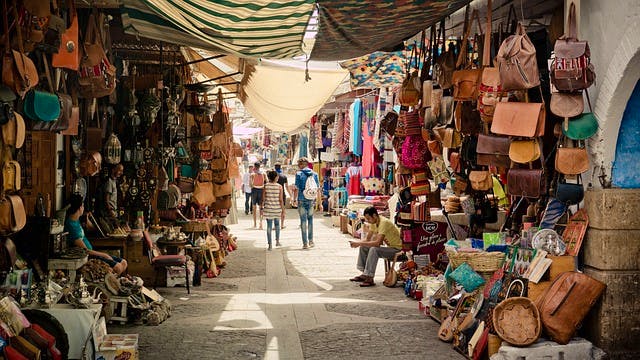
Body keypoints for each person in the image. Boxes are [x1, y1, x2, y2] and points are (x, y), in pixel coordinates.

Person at [65, 194, 128, 275]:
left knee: (124, 262)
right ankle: (110, 283)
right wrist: (104, 255)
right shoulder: (71, 226)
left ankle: (112, 281)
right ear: (79, 207)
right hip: (88, 256)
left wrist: (88, 219)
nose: (83, 208)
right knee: (118, 267)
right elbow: (85, 251)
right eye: (83, 206)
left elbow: (92, 228)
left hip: (93, 253)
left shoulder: (76, 219)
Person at [349, 206, 402, 287]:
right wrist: (358, 243)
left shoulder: (384, 223)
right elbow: (367, 239)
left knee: (374, 250)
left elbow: (377, 243)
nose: (368, 221)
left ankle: (369, 277)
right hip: (390, 248)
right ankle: (365, 274)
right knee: (364, 247)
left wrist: (359, 243)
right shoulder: (374, 223)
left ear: (374, 216)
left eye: (368, 218)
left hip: (398, 250)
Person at [291, 157, 319, 249]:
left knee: (303, 221)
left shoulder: (299, 174)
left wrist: (294, 199)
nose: (298, 167)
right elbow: (317, 189)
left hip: (301, 199)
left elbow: (296, 188)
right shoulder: (315, 174)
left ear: (301, 165)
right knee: (310, 220)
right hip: (311, 199)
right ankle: (311, 241)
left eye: (299, 165)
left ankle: (305, 243)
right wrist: (320, 203)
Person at [261, 170, 284, 250]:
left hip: (268, 209)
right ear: (276, 177)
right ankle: (277, 241)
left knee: (269, 227)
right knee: (277, 225)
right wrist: (283, 210)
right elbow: (281, 200)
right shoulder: (279, 186)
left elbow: (263, 199)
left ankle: (270, 245)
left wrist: (261, 208)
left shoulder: (266, 186)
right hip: (277, 209)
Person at [250, 162, 266, 229]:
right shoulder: (263, 173)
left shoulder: (252, 174)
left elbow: (250, 184)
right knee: (261, 208)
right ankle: (261, 223)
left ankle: (255, 224)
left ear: (254, 166)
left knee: (254, 207)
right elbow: (266, 181)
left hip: (254, 190)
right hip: (261, 190)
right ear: (259, 166)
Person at [274, 163, 288, 228]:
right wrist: (291, 195)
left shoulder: (273, 175)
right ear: (280, 167)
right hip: (282, 194)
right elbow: (287, 187)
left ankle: (275, 225)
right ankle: (282, 224)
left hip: (274, 194)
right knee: (282, 209)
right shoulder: (284, 176)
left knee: (275, 210)